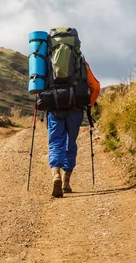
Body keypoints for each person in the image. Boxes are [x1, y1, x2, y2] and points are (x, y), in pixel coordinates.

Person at [48, 61, 100, 197]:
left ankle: (56, 175)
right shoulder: (81, 61)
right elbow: (95, 86)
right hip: (76, 109)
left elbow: (38, 87)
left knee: (55, 142)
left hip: (55, 108)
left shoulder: (48, 60)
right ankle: (66, 182)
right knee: (70, 143)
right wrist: (89, 103)